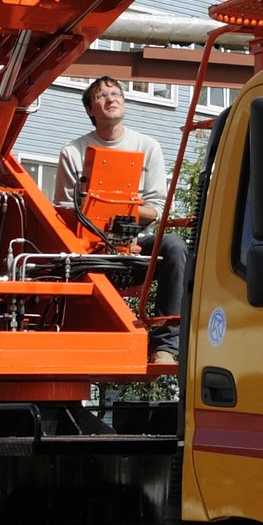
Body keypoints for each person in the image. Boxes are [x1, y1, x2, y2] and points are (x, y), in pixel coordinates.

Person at [54, 76, 189, 370]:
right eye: (101, 96)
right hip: (90, 247)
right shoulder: (72, 152)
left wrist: (123, 212)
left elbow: (158, 208)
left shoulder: (147, 147)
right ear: (91, 110)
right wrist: (93, 213)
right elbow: (63, 210)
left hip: (135, 242)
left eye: (116, 93)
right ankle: (77, 333)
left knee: (175, 248)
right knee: (61, 259)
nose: (111, 98)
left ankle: (165, 345)